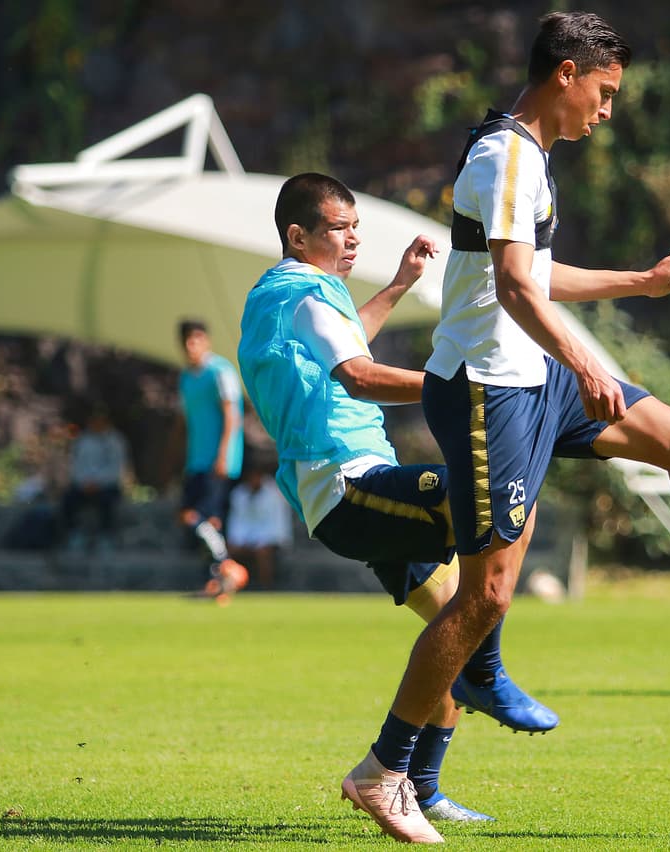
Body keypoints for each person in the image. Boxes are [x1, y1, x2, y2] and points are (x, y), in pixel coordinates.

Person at [341, 12, 670, 843]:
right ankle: (383, 770)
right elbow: (515, 287)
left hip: (533, 377)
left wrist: (642, 282)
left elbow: (538, 273)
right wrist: (586, 365)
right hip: (489, 392)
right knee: (486, 596)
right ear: (566, 74)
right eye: (605, 90)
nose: (608, 110)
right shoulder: (505, 156)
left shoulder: (527, 154)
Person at [237, 172, 559, 826]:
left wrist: (399, 285)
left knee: (455, 628)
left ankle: (423, 787)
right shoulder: (303, 294)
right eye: (339, 228)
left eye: (356, 226)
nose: (354, 238)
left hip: (354, 487)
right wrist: (460, 387)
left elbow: (345, 344)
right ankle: (482, 681)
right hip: (350, 486)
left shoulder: (292, 297)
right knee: (494, 499)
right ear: (297, 236)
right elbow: (358, 375)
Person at [177, 318, 249, 600]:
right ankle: (216, 581)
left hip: (218, 460)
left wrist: (223, 455)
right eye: (186, 339)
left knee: (200, 517)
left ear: (206, 341)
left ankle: (228, 567)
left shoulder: (221, 371)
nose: (191, 344)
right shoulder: (186, 377)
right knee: (201, 521)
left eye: (196, 338)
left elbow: (232, 414)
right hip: (195, 460)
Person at [60, 405, 128, 551]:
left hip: (106, 485)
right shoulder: (82, 440)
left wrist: (98, 483)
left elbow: (115, 468)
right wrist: (84, 483)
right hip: (83, 485)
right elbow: (76, 465)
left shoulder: (115, 441)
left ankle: (106, 536)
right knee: (68, 499)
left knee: (107, 501)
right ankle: (74, 534)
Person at [226, 464, 293, 589]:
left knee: (262, 552)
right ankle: (230, 585)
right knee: (229, 550)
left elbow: (277, 523)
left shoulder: (274, 493)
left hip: (270, 538)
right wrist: (241, 541)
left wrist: (260, 541)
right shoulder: (238, 494)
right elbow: (238, 521)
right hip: (247, 538)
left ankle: (265, 587)